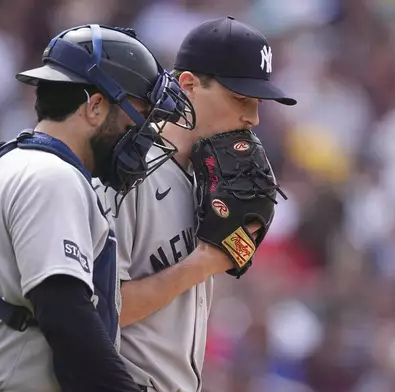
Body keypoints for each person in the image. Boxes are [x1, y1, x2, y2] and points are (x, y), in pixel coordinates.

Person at [0, 24, 195, 392]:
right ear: (96, 107)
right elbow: (65, 318)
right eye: (138, 118)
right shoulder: (52, 177)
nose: (143, 137)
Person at [93, 16, 296, 392]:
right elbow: (97, 312)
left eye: (258, 102)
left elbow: (222, 256)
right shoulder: (126, 174)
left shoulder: (208, 177)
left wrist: (232, 247)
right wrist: (205, 262)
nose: (252, 118)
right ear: (188, 84)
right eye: (240, 98)